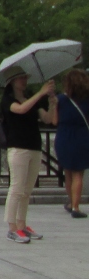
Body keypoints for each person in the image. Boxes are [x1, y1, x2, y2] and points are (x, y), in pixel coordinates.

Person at [1, 72, 56, 240]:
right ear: (12, 81)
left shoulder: (32, 100)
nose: (24, 81)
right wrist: (41, 92)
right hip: (18, 147)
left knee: (27, 190)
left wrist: (52, 103)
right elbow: (20, 109)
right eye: (21, 78)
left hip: (34, 146)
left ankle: (22, 224)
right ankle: (12, 227)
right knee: (16, 188)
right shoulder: (8, 100)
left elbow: (47, 119)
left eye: (26, 77)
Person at [54, 69, 89, 217]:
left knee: (67, 171)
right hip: (82, 136)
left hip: (64, 136)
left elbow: (54, 120)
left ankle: (70, 202)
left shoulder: (60, 99)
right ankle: (76, 206)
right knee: (78, 173)